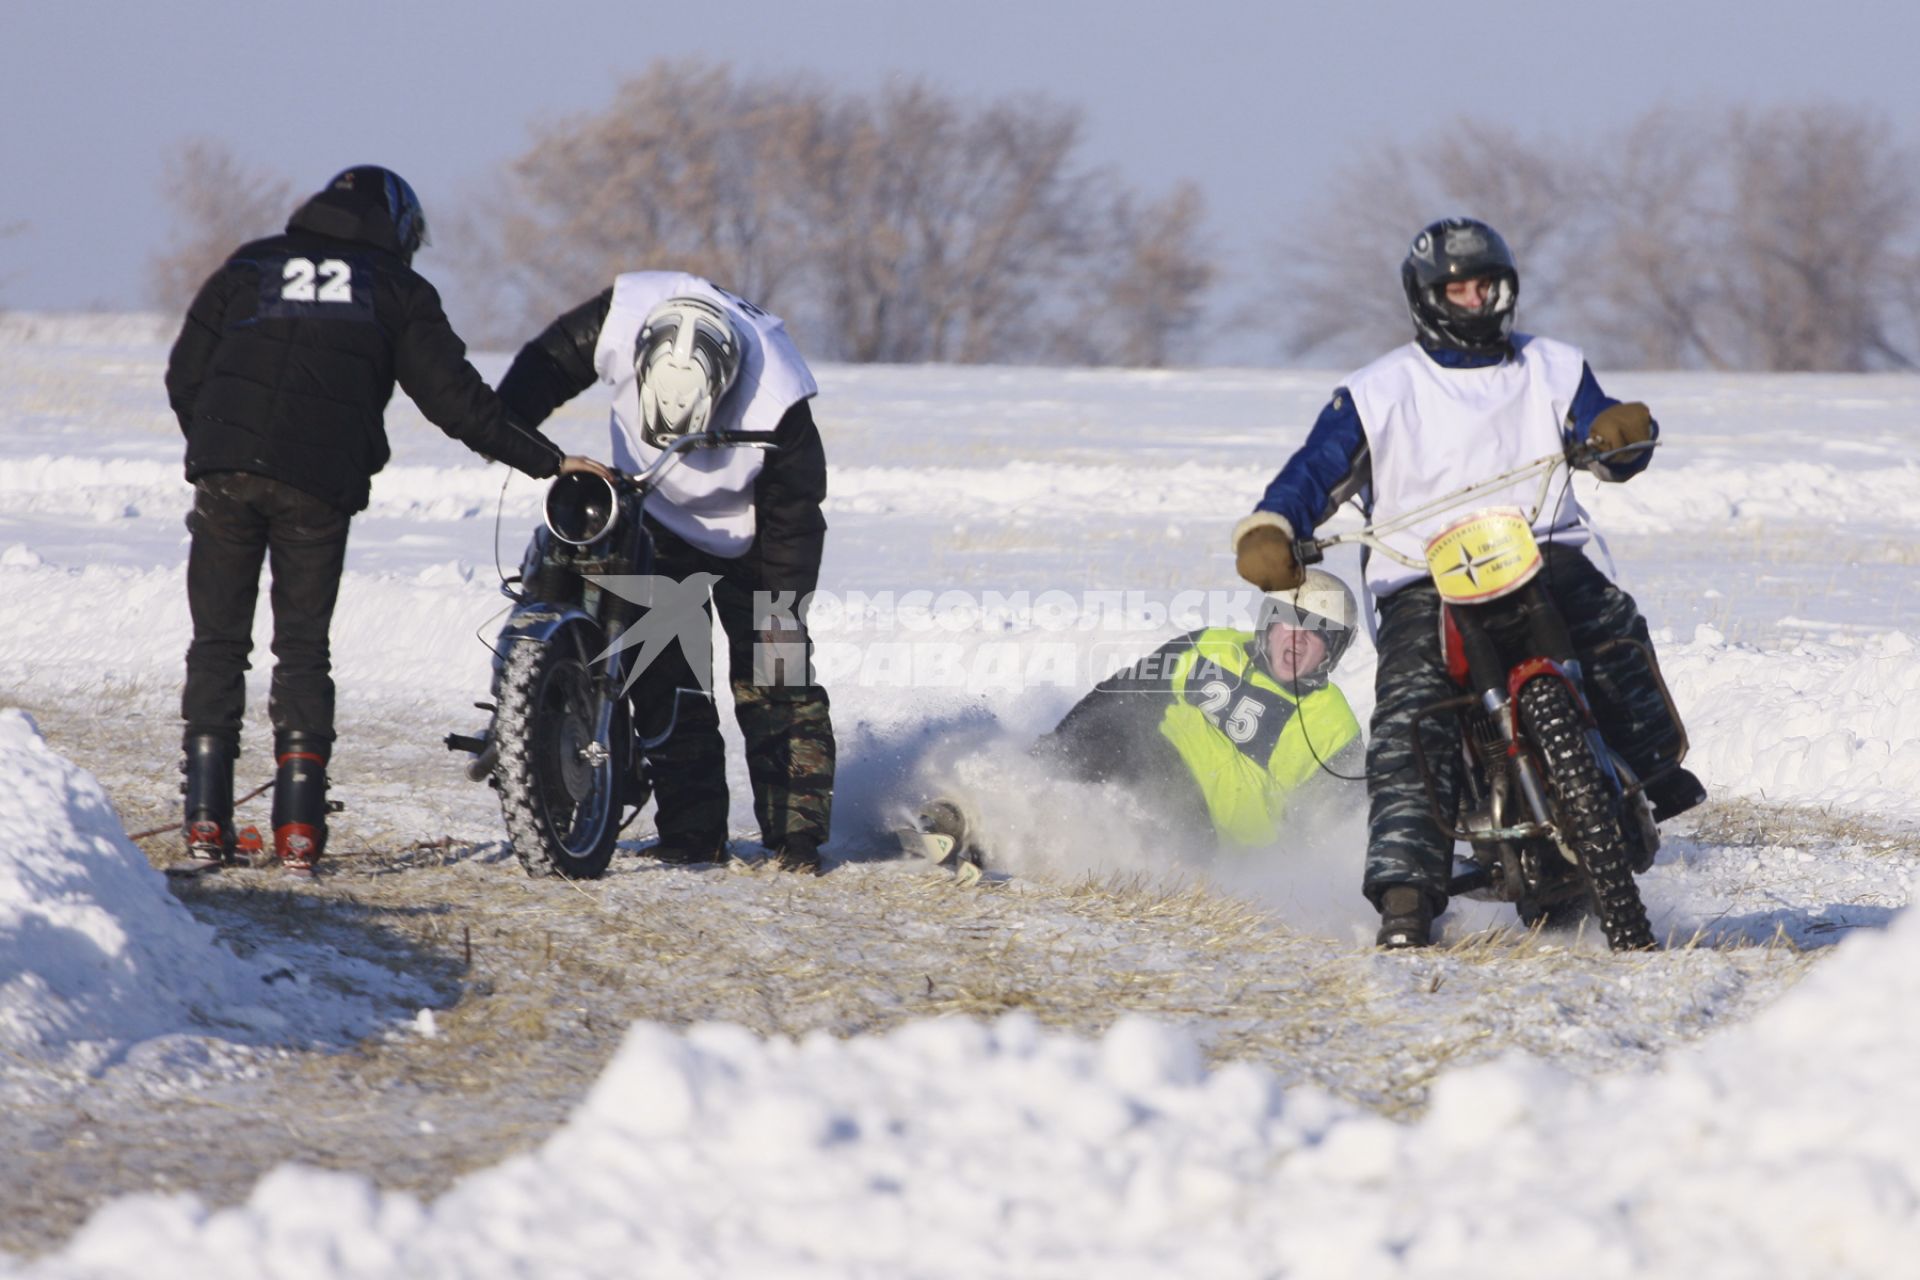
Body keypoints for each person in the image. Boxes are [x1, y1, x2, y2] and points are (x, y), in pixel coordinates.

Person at [1231, 216, 1706, 949]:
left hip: (1539, 549)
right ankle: (1406, 892)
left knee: (1611, 623)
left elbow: (1604, 434)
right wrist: (1271, 529)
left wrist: (1620, 433)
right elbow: (1311, 475)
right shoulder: (1376, 391)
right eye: (1459, 287)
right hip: (1424, 575)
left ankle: (1651, 774)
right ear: (1427, 296)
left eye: (1488, 285)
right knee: (1409, 716)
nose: (1476, 299)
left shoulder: (1552, 365)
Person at [166, 165, 609, 875]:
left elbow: (184, 373)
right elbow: (459, 405)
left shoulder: (250, 265)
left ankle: (204, 822)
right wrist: (552, 463)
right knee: (302, 651)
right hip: (318, 485)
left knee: (217, 643)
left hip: (225, 470)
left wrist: (220, 444)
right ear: (399, 230)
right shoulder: (395, 287)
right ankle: (299, 830)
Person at [494, 273, 835, 875]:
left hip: (757, 535)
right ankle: (692, 834)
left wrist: (779, 612)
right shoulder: (619, 316)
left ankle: (797, 839)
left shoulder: (778, 398)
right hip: (650, 513)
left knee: (778, 680)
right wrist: (512, 431)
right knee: (664, 674)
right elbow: (539, 370)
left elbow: (797, 521)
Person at [916, 571, 1364, 865]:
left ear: (1336, 649)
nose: (1296, 643)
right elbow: (1122, 690)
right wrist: (1055, 747)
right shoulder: (1208, 645)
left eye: (1316, 635)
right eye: (1289, 624)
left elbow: (1329, 837)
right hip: (1146, 763)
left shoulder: (1335, 730)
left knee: (1119, 805)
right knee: (1109, 733)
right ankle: (961, 820)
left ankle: (996, 847)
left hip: (1206, 838)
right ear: (1268, 623)